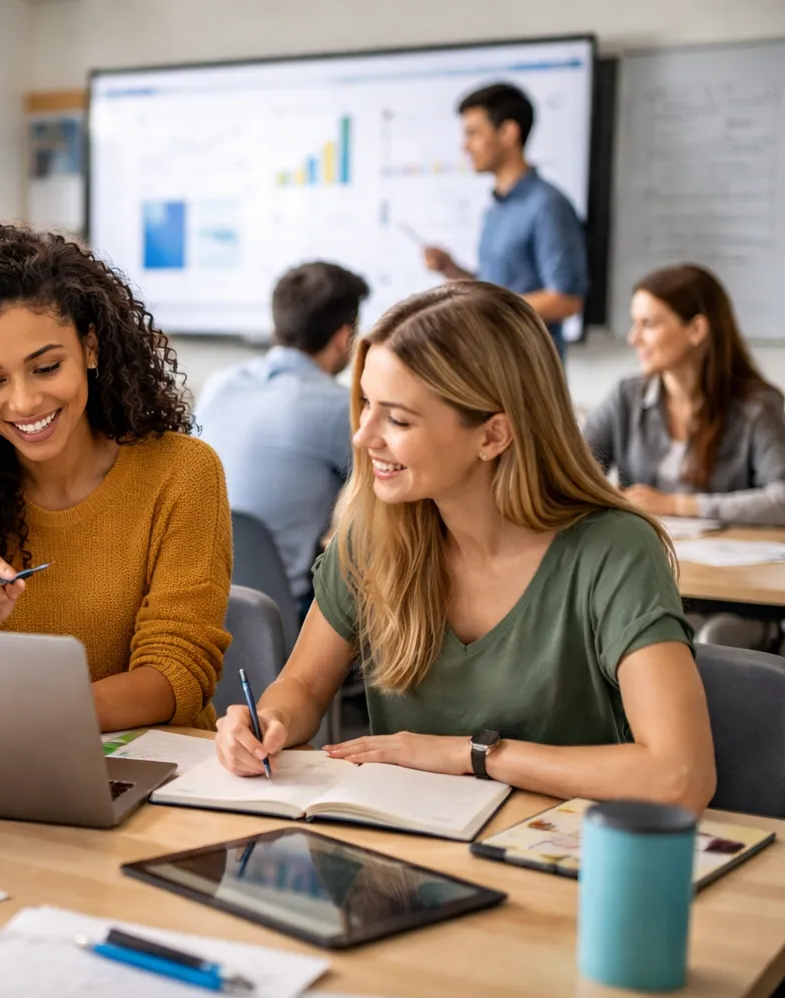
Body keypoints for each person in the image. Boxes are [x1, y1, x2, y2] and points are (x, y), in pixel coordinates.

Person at [215, 281, 716, 816]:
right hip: (400, 861)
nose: (363, 437)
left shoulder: (613, 550)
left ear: (493, 435)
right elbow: (303, 685)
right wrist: (270, 721)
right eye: (365, 406)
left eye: (399, 419)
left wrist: (471, 756)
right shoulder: (372, 535)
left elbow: (680, 775)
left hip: (558, 860)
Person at [0, 223, 232, 732]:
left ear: (90, 347)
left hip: (155, 771)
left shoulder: (182, 473)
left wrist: (36, 715)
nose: (23, 403)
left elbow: (176, 671)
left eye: (45, 368)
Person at [196, 261, 370, 619]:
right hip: (280, 617)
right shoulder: (340, 407)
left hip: (196, 606)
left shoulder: (218, 385)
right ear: (343, 338)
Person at [583, 264, 785, 526]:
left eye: (649, 324)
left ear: (696, 330)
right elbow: (571, 472)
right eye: (635, 324)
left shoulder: (757, 406)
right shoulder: (626, 396)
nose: (634, 339)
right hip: (646, 550)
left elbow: (781, 499)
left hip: (729, 560)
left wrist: (675, 505)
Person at [421, 83, 588, 360]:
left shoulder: (547, 205)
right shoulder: (495, 210)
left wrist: (484, 306)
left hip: (530, 371)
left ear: (509, 133)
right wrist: (453, 271)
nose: (465, 145)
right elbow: (496, 287)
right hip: (490, 363)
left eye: (473, 133)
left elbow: (566, 300)